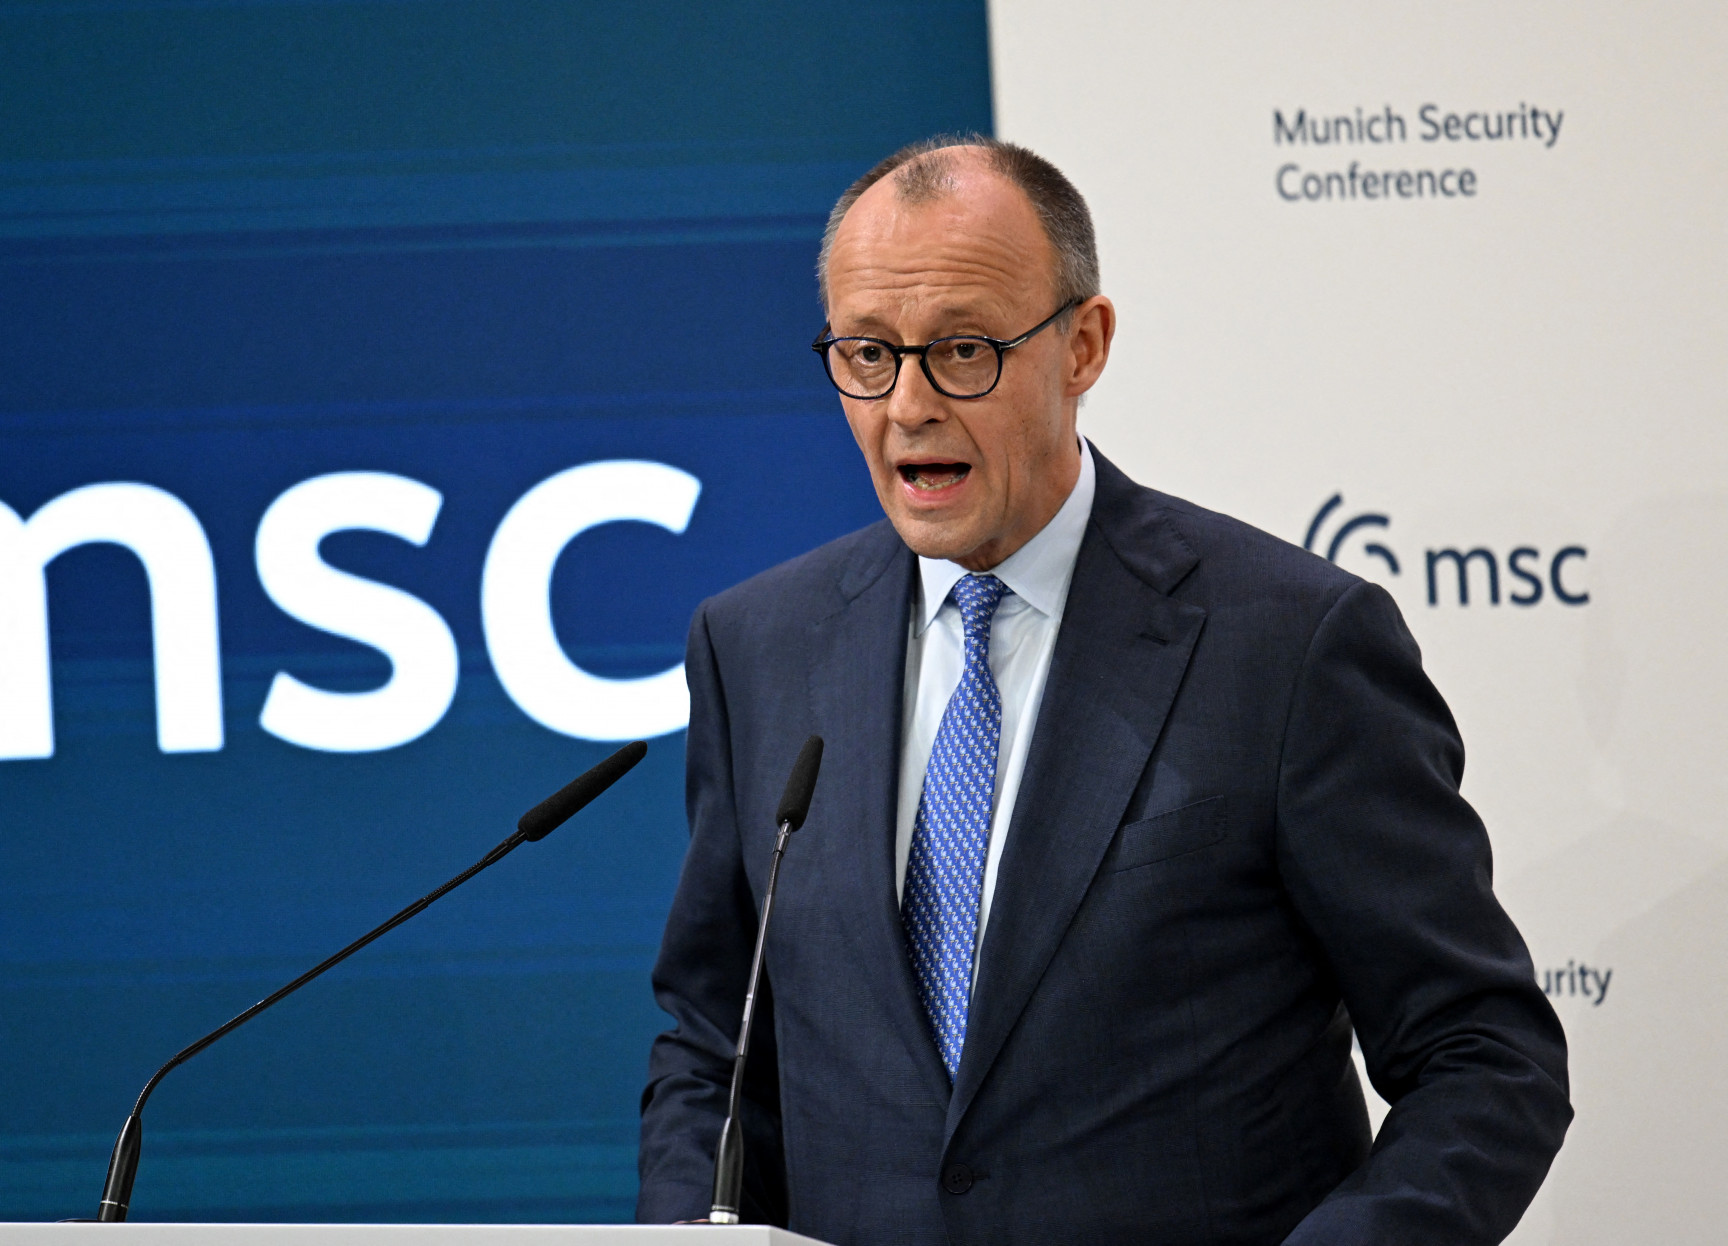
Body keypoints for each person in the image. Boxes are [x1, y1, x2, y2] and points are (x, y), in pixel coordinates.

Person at [635, 134, 1570, 1245]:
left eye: (964, 349)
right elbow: (715, 1049)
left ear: (1082, 346)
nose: (908, 405)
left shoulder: (1286, 644)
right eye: (868, 353)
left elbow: (1482, 1054)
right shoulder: (757, 647)